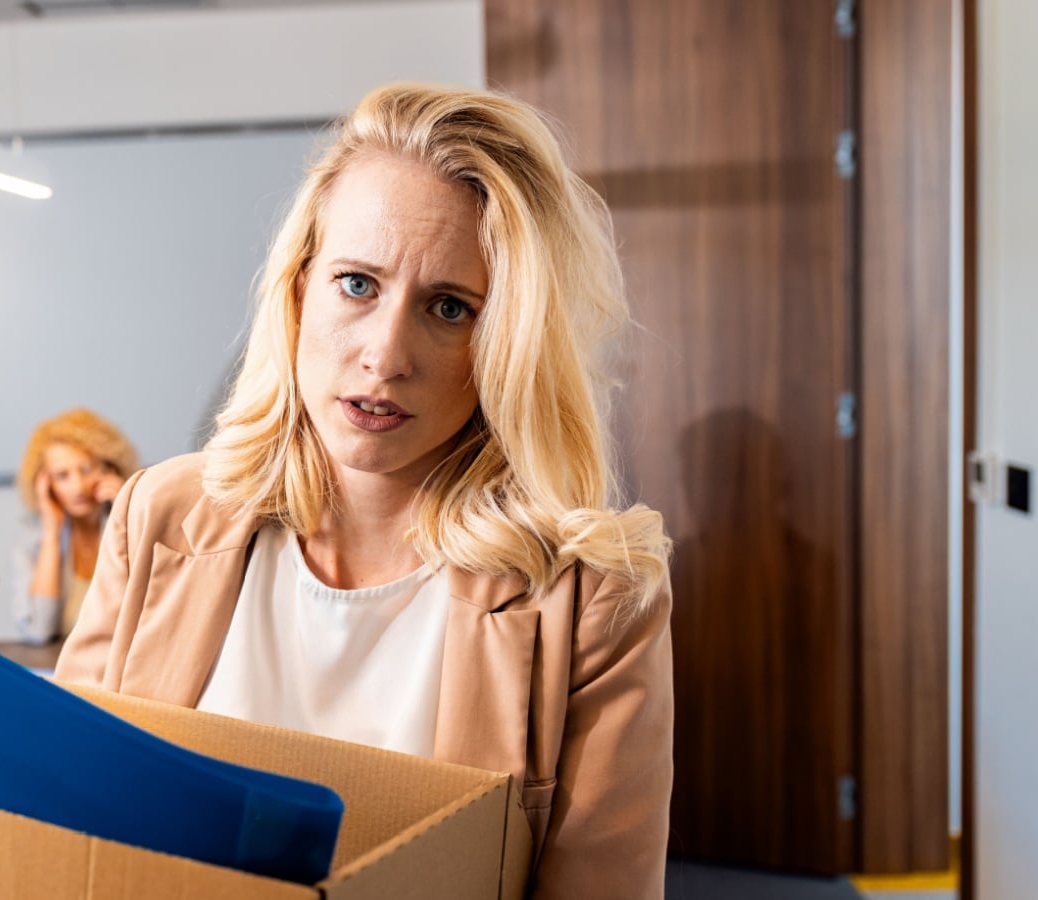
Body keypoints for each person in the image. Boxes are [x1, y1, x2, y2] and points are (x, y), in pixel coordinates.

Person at [55, 84, 674, 898]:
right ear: (299, 288)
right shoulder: (160, 516)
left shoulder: (591, 602)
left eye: (450, 308)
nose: (386, 356)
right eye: (357, 284)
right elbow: (55, 832)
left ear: (508, 345)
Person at [10, 409, 139, 644]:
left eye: (86, 469)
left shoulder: (134, 523)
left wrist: (126, 512)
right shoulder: (34, 537)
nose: (78, 487)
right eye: (62, 476)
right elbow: (38, 631)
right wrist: (52, 534)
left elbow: (143, 618)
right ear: (45, 483)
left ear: (109, 469)